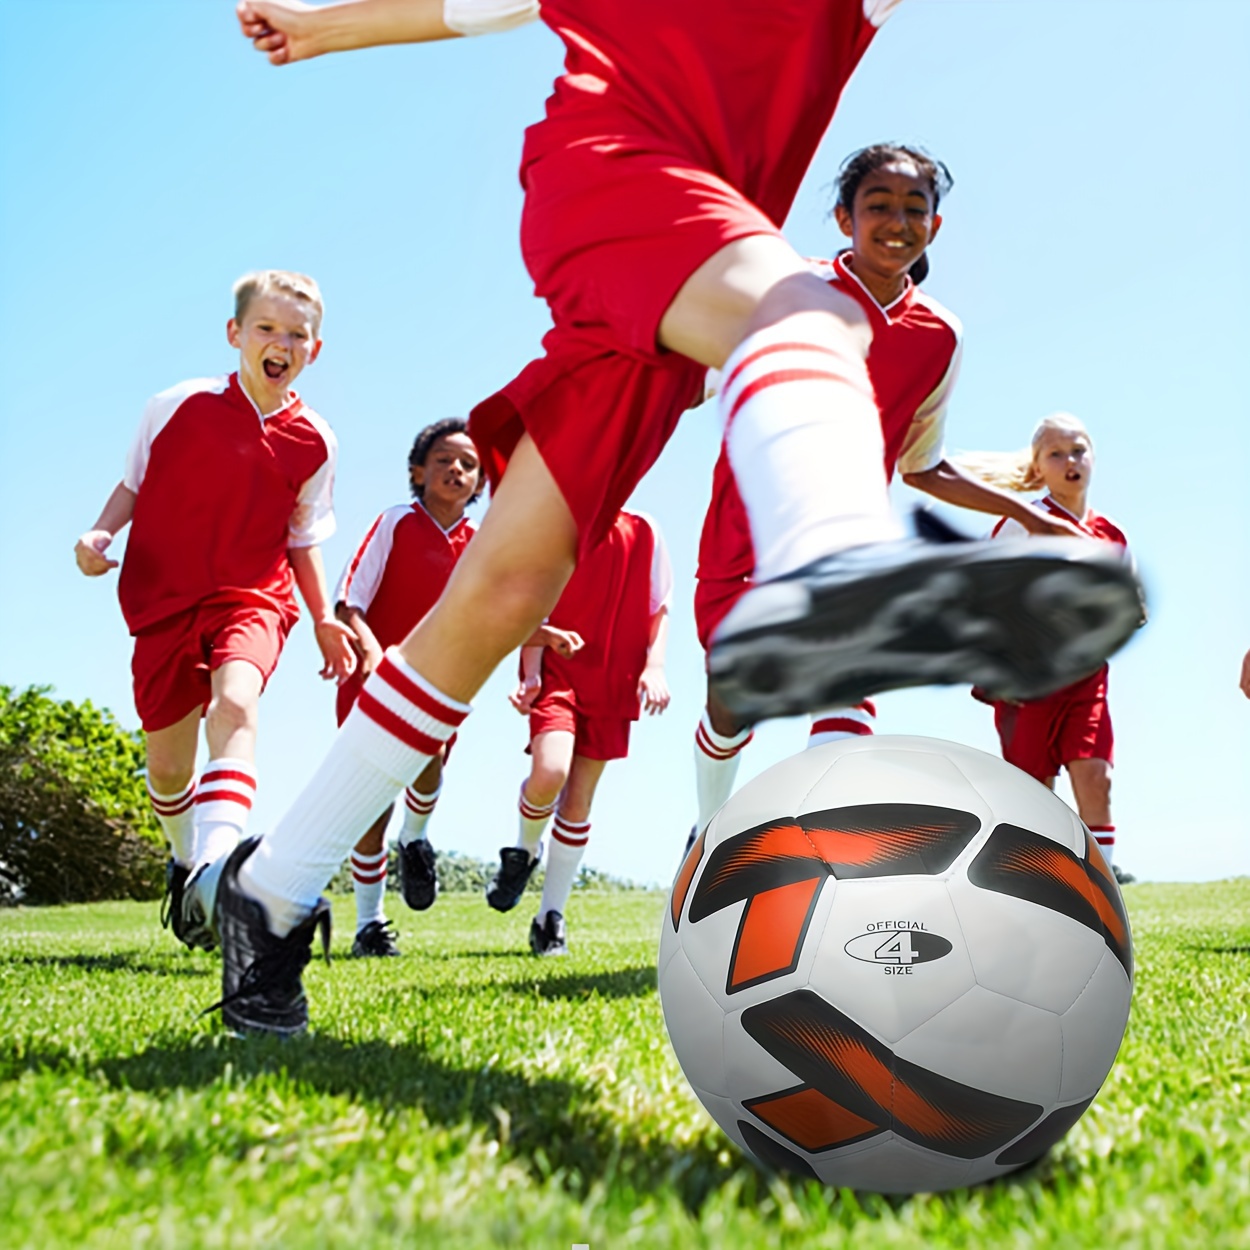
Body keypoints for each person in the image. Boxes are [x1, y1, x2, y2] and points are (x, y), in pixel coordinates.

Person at [220, 0, 1143, 1035]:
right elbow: (473, 4)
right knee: (814, 314)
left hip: (680, 288)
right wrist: (315, 28)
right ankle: (836, 564)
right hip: (610, 170)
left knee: (500, 594)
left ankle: (271, 891)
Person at [688, 145, 1086, 846]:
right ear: (845, 216)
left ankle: (815, 871)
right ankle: (707, 830)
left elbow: (921, 465)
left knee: (848, 700)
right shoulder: (785, 292)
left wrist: (1031, 515)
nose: (897, 221)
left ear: (935, 226)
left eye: (915, 208)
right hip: (742, 542)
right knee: (731, 707)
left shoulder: (942, 337)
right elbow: (686, 383)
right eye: (878, 205)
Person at [74, 269, 356, 950]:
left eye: (297, 334)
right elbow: (132, 483)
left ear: (314, 351)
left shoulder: (316, 440)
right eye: (266, 328)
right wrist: (99, 534)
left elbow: (302, 537)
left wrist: (321, 617)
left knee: (236, 704)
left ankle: (217, 865)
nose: (280, 343)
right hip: (162, 601)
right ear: (235, 334)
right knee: (169, 769)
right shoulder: (175, 404)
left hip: (253, 598)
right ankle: (184, 862)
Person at [964, 414, 1139, 884]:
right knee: (1034, 791)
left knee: (1097, 778)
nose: (1070, 461)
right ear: (1038, 467)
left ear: (1093, 459)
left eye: (1078, 450)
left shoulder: (1112, 536)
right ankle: (1039, 885)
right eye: (1056, 454)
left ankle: (1103, 884)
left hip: (1086, 679)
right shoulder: (1022, 524)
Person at [333, 420, 483, 956]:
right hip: (371, 681)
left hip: (440, 686)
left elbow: (489, 617)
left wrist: (544, 635)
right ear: (418, 472)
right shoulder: (395, 522)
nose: (456, 470)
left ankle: (415, 837)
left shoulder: (481, 545)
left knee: (430, 764)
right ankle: (368, 926)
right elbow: (348, 600)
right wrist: (372, 652)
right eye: (443, 459)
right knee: (370, 802)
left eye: (468, 463)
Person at [492, 510, 672, 955]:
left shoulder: (645, 530)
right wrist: (530, 675)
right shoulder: (558, 524)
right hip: (560, 673)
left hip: (616, 677)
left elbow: (659, 606)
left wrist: (654, 666)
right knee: (550, 771)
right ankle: (524, 851)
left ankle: (550, 917)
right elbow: (532, 602)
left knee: (578, 800)